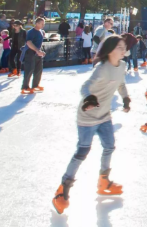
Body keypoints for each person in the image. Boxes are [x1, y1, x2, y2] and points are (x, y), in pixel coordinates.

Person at [52, 35, 131, 215]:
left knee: (110, 146)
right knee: (82, 152)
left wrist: (126, 98)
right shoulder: (101, 69)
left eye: (124, 46)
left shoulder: (123, 66)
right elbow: (85, 87)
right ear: (110, 50)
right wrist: (89, 98)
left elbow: (121, 84)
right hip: (87, 117)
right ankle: (63, 189)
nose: (123, 49)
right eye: (119, 46)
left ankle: (104, 181)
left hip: (104, 116)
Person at [21, 17, 46, 95]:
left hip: (37, 54)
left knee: (38, 70)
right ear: (37, 23)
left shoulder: (41, 32)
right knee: (29, 70)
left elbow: (39, 43)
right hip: (30, 53)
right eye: (42, 23)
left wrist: (41, 51)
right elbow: (29, 42)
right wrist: (37, 50)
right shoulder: (31, 32)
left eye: (43, 24)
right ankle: (25, 87)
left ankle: (35, 85)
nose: (43, 25)